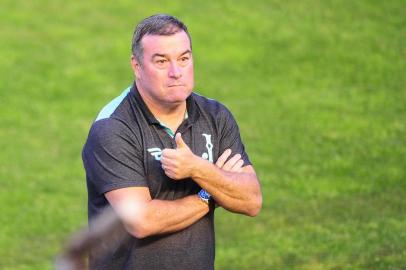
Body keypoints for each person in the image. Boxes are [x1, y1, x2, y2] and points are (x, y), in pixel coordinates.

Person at [82, 14, 262, 270]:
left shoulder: (215, 116)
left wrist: (198, 169)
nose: (176, 72)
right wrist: (210, 192)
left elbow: (251, 200)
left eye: (184, 59)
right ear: (136, 66)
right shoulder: (113, 128)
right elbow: (142, 221)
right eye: (162, 61)